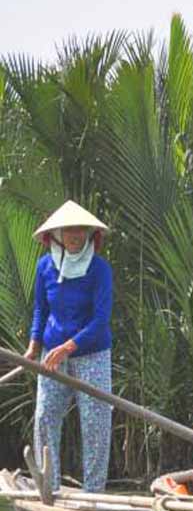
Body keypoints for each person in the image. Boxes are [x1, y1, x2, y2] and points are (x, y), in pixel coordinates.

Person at [24, 201, 114, 493]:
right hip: (52, 353)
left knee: (96, 423)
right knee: (45, 418)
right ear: (57, 234)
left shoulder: (99, 269)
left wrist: (68, 347)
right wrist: (33, 346)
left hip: (92, 354)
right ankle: (48, 486)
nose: (74, 235)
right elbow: (41, 309)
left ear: (89, 234)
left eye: (80, 230)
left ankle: (94, 494)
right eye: (68, 230)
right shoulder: (45, 266)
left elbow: (100, 319)